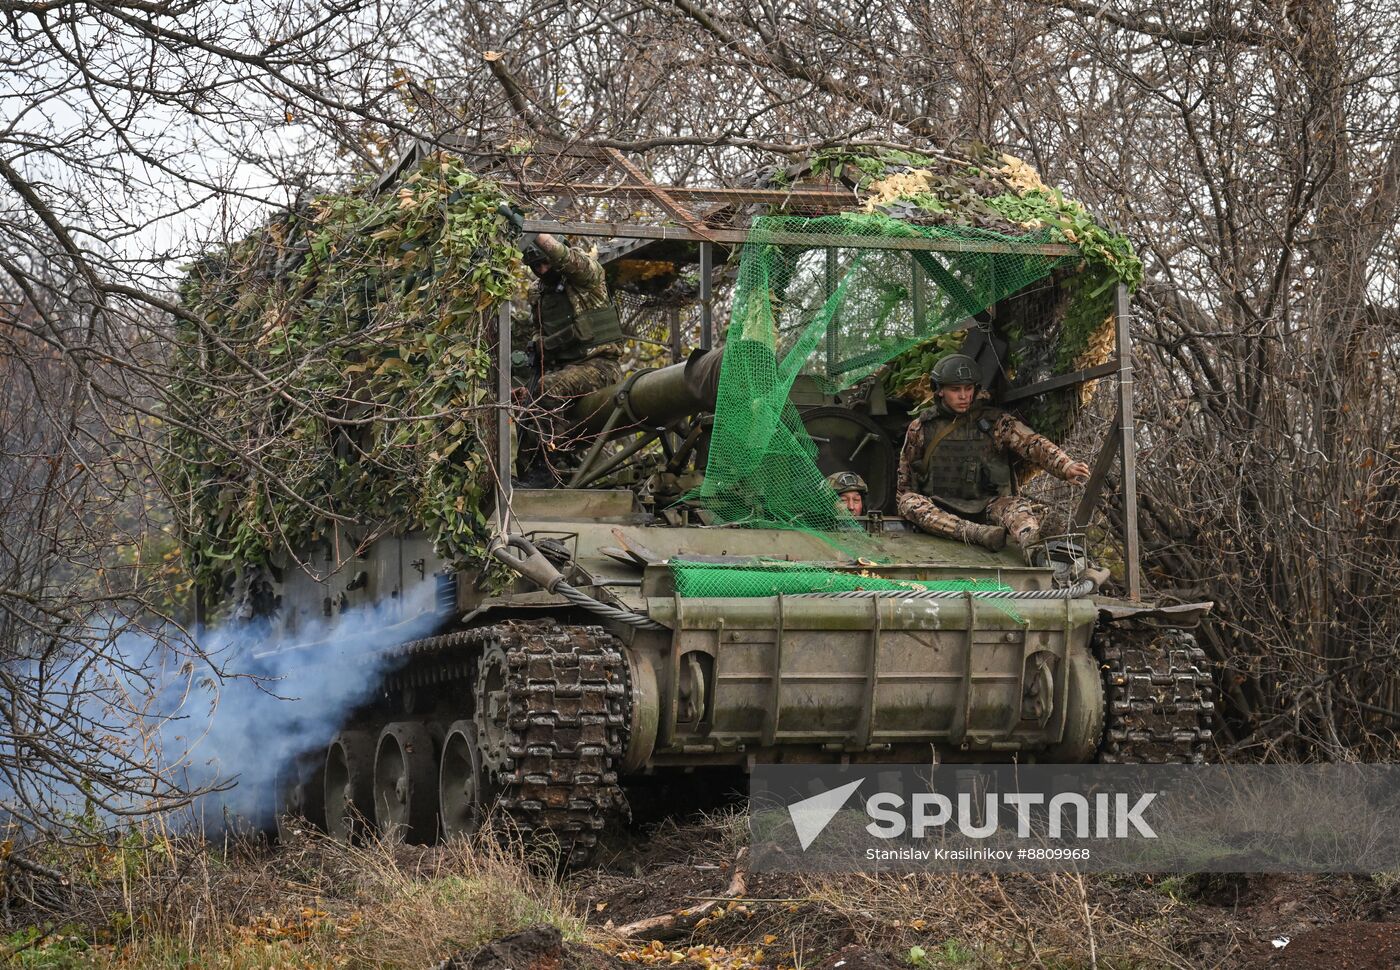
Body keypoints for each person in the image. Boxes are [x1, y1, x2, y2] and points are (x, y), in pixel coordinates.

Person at [895, 354, 1091, 553]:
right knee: (908, 502)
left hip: (990, 506)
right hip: (941, 510)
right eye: (955, 390)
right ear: (940, 391)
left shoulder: (995, 423)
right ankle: (977, 534)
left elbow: (1032, 443)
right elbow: (905, 481)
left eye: (968, 388)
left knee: (1017, 508)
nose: (963, 396)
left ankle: (1035, 547)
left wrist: (1065, 465)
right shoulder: (921, 428)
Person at [513, 232, 625, 484]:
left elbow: (567, 259)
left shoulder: (586, 277)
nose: (542, 270)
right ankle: (529, 470)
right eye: (535, 267)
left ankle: (551, 464)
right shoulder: (538, 293)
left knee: (547, 388)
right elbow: (540, 330)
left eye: (545, 263)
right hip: (563, 369)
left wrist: (533, 230)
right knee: (526, 404)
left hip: (601, 366)